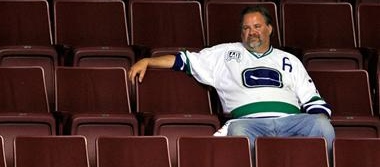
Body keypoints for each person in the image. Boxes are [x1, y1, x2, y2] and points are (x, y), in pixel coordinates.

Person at [128, 5, 335, 152]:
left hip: (290, 122)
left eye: (257, 27)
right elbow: (184, 60)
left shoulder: (289, 60)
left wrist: (315, 120)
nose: (251, 32)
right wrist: (148, 61)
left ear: (269, 29)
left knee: (321, 124)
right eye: (246, 28)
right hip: (249, 123)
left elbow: (313, 101)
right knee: (238, 130)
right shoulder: (225, 54)